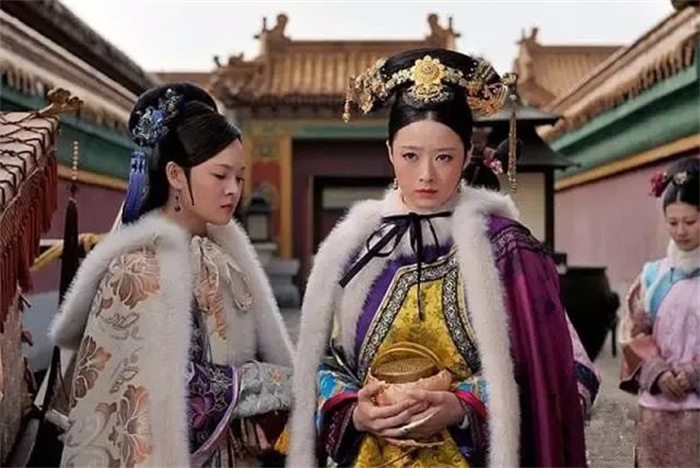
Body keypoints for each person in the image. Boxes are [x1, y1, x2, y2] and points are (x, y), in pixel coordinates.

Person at [287, 49, 599, 468]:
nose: (426, 175)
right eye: (410, 155)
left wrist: (464, 406)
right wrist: (354, 411)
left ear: (468, 155)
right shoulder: (353, 249)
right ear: (389, 152)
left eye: (444, 157)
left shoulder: (507, 250)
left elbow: (557, 377)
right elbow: (322, 365)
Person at [49, 83, 294, 467]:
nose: (233, 190)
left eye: (239, 177)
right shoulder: (137, 269)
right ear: (176, 175)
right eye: (220, 175)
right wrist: (273, 383)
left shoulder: (226, 258)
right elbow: (167, 386)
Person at [620, 157, 700, 467]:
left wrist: (693, 374)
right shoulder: (653, 277)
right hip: (657, 409)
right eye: (672, 222)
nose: (680, 231)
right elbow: (633, 331)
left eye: (690, 222)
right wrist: (656, 370)